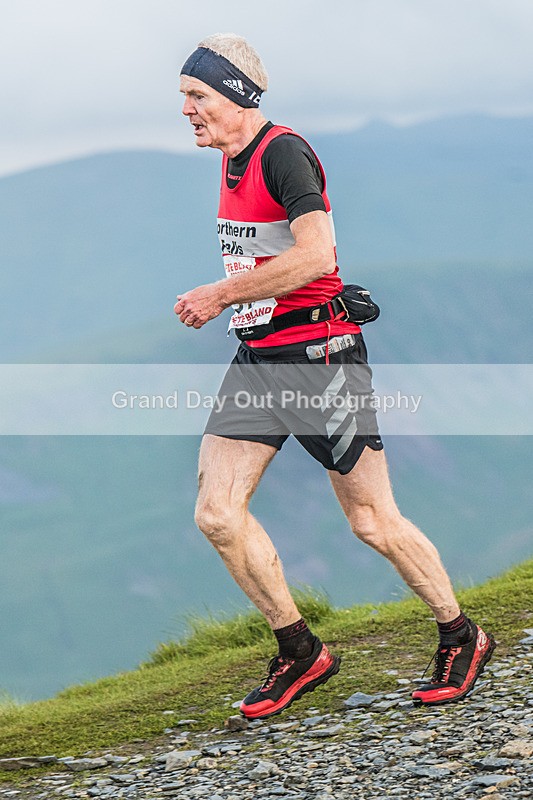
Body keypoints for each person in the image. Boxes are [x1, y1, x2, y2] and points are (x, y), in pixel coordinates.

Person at [174, 33, 495, 720]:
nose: (187, 110)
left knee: (372, 522)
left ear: (236, 96)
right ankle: (299, 650)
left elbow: (318, 255)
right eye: (184, 98)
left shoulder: (281, 152)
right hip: (259, 359)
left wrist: (221, 295)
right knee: (216, 513)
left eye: (197, 96)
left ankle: (461, 636)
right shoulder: (230, 158)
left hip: (321, 361)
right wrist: (243, 306)